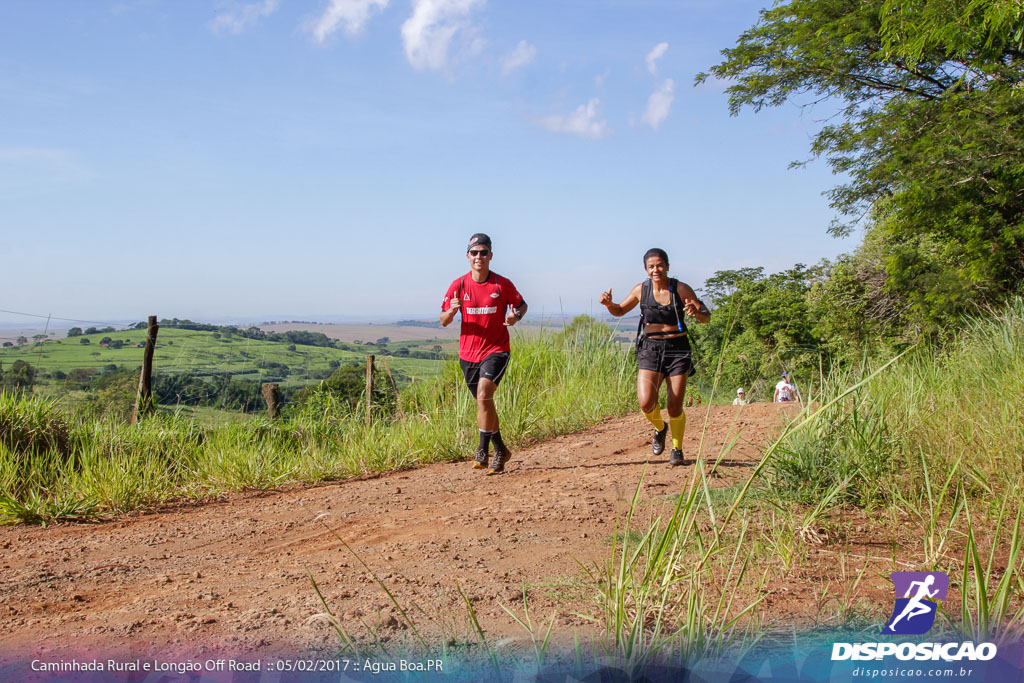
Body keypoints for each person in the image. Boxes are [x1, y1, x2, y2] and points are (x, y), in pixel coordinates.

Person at [599, 248, 710, 466]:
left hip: (678, 350)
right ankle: (660, 428)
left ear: (667, 266)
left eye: (659, 265)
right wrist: (609, 305)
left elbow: (706, 317)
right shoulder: (641, 290)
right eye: (651, 266)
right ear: (646, 269)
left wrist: (696, 313)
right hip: (650, 349)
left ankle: (677, 450)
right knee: (646, 402)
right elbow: (620, 310)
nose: (655, 270)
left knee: (674, 405)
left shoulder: (681, 289)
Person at [440, 233, 527, 475]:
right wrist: (452, 311)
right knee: (484, 403)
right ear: (468, 256)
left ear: (491, 256)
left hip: (497, 350)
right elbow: (444, 320)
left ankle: (482, 449)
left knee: (484, 393)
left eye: (484, 252)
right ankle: (501, 450)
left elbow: (521, 305)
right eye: (475, 252)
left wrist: (515, 317)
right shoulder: (458, 285)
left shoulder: (502, 284)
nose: (479, 256)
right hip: (468, 354)